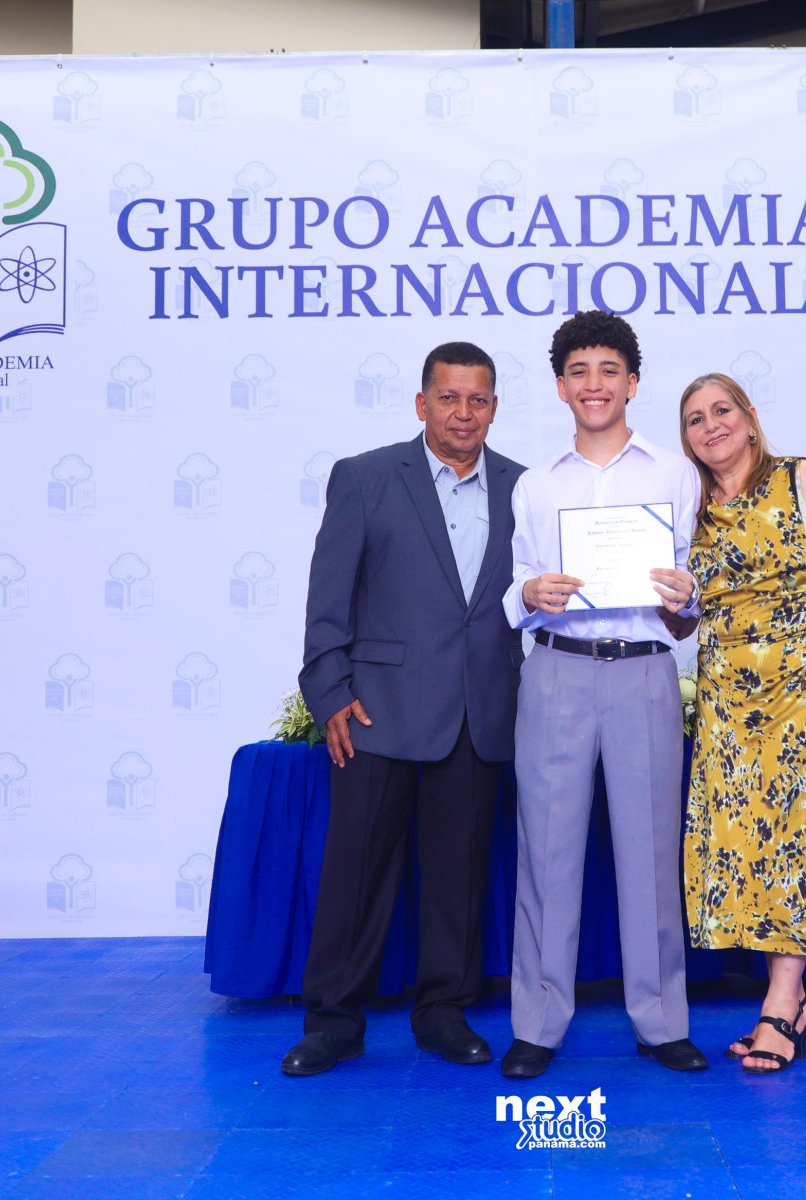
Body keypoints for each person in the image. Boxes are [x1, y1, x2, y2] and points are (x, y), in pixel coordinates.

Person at [283, 342, 524, 1077]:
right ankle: (333, 1021)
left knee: (458, 879)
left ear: (494, 407)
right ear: (422, 403)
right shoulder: (364, 478)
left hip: (477, 714)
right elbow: (328, 599)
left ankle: (442, 1011)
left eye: (477, 399)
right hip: (376, 713)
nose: (462, 413)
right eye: (448, 398)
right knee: (355, 875)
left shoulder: (525, 487)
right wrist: (330, 693)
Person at [499, 310, 707, 1079]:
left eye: (609, 371)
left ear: (633, 383)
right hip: (556, 670)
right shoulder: (535, 485)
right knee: (546, 852)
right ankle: (537, 1023)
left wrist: (686, 597)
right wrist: (532, 593)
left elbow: (687, 606)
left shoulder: (674, 475)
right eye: (579, 372)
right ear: (561, 387)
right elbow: (515, 590)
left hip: (644, 671)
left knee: (651, 852)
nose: (595, 385)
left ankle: (661, 1021)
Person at [678, 371, 806, 1073]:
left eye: (722, 410)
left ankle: (779, 1007)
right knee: (748, 849)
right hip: (729, 705)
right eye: (695, 419)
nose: (710, 425)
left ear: (749, 417)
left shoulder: (799, 478)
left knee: (800, 844)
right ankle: (795, 1006)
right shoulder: (690, 509)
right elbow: (682, 617)